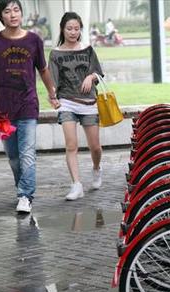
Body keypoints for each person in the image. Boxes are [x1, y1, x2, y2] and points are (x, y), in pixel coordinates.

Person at [0, 0, 59, 213]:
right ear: (1, 16)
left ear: (22, 14)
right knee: (13, 156)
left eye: (16, 10)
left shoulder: (34, 40)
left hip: (28, 105)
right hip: (3, 109)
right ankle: (21, 186)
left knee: (27, 153)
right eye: (7, 11)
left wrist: (52, 93)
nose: (13, 14)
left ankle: (25, 195)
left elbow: (43, 70)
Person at [49, 12, 104, 201]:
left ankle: (96, 169)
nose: (73, 32)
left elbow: (99, 73)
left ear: (80, 29)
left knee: (95, 147)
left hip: (89, 102)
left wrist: (90, 76)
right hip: (67, 102)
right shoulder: (56, 53)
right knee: (71, 145)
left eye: (76, 28)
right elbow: (53, 81)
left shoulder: (87, 49)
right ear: (62, 30)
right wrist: (53, 96)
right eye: (69, 28)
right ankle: (76, 185)